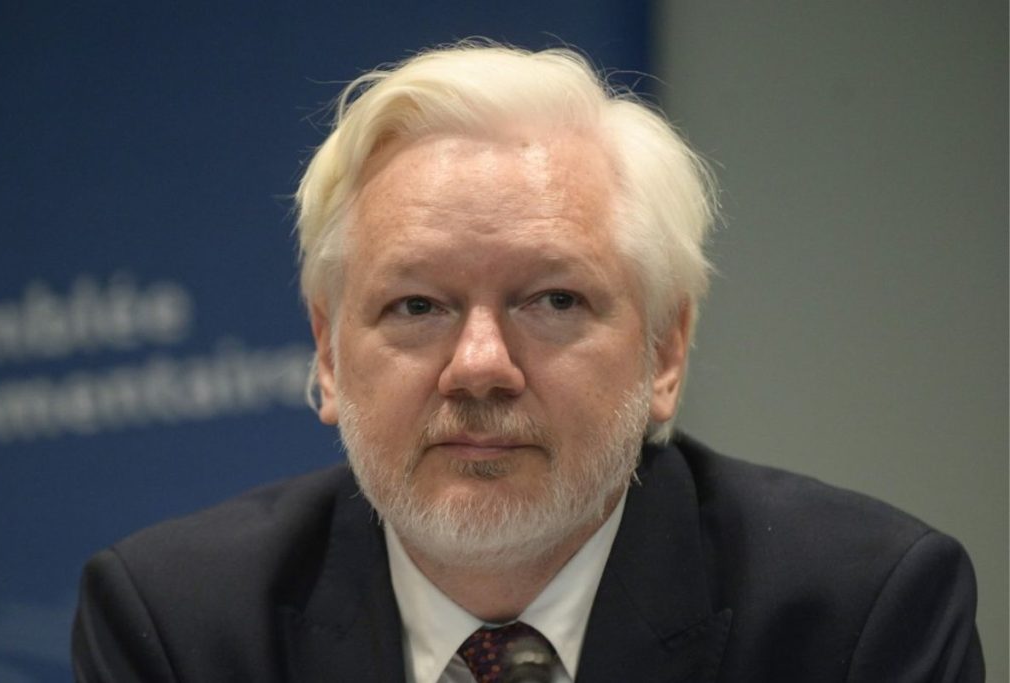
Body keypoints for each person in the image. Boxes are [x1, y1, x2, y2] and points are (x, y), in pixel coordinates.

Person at [72, 42, 984, 682]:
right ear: (329, 352)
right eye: (417, 305)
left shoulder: (856, 613)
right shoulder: (179, 625)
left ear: (667, 349)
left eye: (553, 301)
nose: (479, 366)